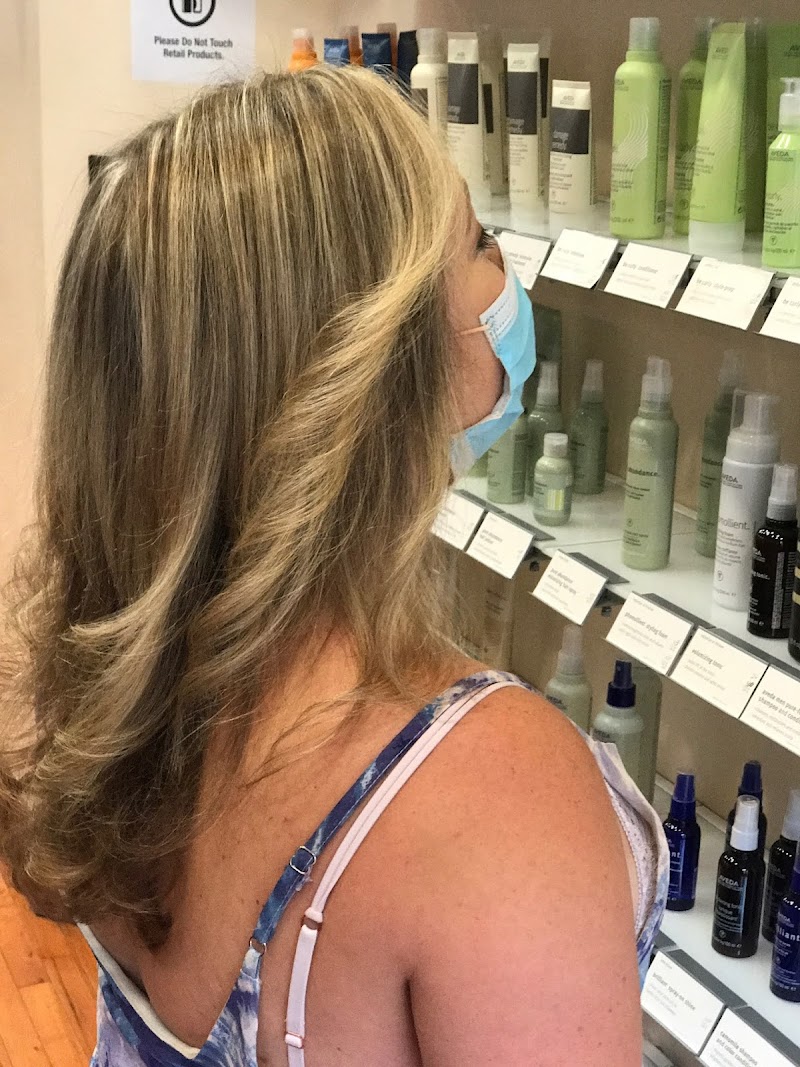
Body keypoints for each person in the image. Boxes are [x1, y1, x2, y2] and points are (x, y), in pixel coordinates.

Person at [0, 66, 667, 1067]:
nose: (502, 275)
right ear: (371, 363)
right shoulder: (493, 795)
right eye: (476, 242)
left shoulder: (105, 687)